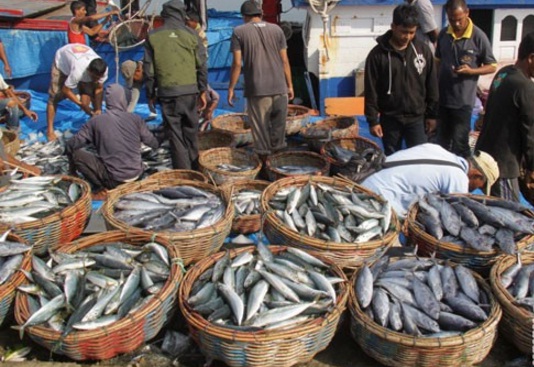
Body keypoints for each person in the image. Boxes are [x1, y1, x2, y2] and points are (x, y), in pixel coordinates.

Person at [364, 4, 438, 156]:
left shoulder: (423, 51)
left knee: (420, 158)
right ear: (393, 27)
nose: (408, 37)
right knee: (393, 159)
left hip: (417, 118)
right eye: (404, 32)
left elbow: (432, 84)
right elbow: (371, 90)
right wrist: (373, 120)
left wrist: (432, 115)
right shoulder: (377, 55)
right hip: (390, 119)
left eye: (412, 32)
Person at [143, 0, 207, 169]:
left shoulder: (153, 35)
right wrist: (202, 91)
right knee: (191, 131)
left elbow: (149, 71)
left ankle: (184, 173)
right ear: (182, 14)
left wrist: (150, 94)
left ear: (165, 15)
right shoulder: (192, 35)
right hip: (190, 92)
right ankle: (196, 170)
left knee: (175, 135)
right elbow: (201, 65)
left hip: (167, 92)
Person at [228, 0, 294, 162]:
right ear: (261, 14)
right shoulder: (277, 30)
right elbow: (285, 61)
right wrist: (290, 86)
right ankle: (278, 165)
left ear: (244, 16)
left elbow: (237, 63)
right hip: (280, 88)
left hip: (258, 90)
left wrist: (231, 88)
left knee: (261, 132)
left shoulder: (239, 32)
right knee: (278, 131)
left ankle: (266, 168)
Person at [66, 84, 158, 196]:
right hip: (137, 176)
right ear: (124, 100)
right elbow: (152, 142)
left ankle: (99, 188)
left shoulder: (95, 121)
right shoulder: (136, 119)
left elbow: (71, 145)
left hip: (114, 180)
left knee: (77, 154)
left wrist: (72, 169)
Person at [361, 143, 499, 218]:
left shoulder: (437, 148)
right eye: (480, 186)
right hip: (375, 200)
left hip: (365, 178)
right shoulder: (459, 179)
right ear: (477, 175)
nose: (474, 190)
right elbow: (456, 217)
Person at [475, 32, 534, 202]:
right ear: (531, 58)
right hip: (503, 166)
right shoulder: (525, 87)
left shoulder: (504, 73)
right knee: (511, 217)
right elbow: (530, 133)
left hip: (485, 157)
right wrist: (531, 167)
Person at [435, 0, 496, 158]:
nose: (456, 23)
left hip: (463, 102)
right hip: (443, 100)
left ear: (467, 13)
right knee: (441, 143)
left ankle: (462, 178)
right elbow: (438, 61)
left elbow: (492, 65)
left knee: (460, 143)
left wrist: (472, 71)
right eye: (451, 19)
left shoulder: (478, 36)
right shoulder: (443, 34)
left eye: (459, 19)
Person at [47, 43, 108, 141]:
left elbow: (99, 88)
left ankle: (96, 122)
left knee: (90, 93)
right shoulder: (78, 71)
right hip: (62, 61)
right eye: (94, 77)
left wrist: (98, 109)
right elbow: (66, 90)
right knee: (54, 96)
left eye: (99, 78)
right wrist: (80, 104)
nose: (96, 80)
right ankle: (49, 130)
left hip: (80, 55)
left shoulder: (103, 70)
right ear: (88, 71)